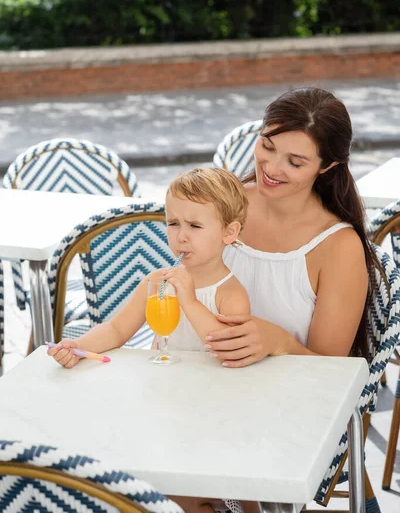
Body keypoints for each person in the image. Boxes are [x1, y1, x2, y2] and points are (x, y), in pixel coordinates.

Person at [205, 86, 378, 370]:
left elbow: (332, 372)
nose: (272, 168)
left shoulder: (339, 247)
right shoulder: (225, 202)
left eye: (295, 162)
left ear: (327, 166)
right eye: (267, 146)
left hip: (291, 403)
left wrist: (279, 342)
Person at [47, 166, 250, 366]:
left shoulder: (231, 294)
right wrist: (79, 346)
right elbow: (116, 330)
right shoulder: (157, 283)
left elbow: (229, 350)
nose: (181, 236)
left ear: (229, 232)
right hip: (161, 385)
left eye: (194, 226)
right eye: (173, 223)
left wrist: (190, 302)